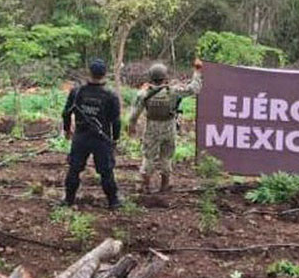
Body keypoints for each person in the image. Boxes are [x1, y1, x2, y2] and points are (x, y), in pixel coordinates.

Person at [128, 59, 203, 193]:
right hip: (169, 127)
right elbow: (194, 89)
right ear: (165, 77)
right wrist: (197, 71)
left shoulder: (144, 93)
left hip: (152, 128)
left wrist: (132, 126)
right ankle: (164, 185)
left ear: (150, 77)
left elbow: (134, 114)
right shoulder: (173, 92)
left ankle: (144, 185)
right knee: (166, 157)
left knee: (148, 156)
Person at [62, 59, 122, 209]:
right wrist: (115, 139)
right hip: (101, 139)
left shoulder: (76, 92)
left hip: (81, 137)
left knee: (74, 169)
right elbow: (116, 121)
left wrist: (67, 130)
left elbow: (66, 113)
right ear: (105, 74)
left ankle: (68, 200)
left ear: (89, 73)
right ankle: (113, 202)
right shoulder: (110, 96)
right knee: (106, 171)